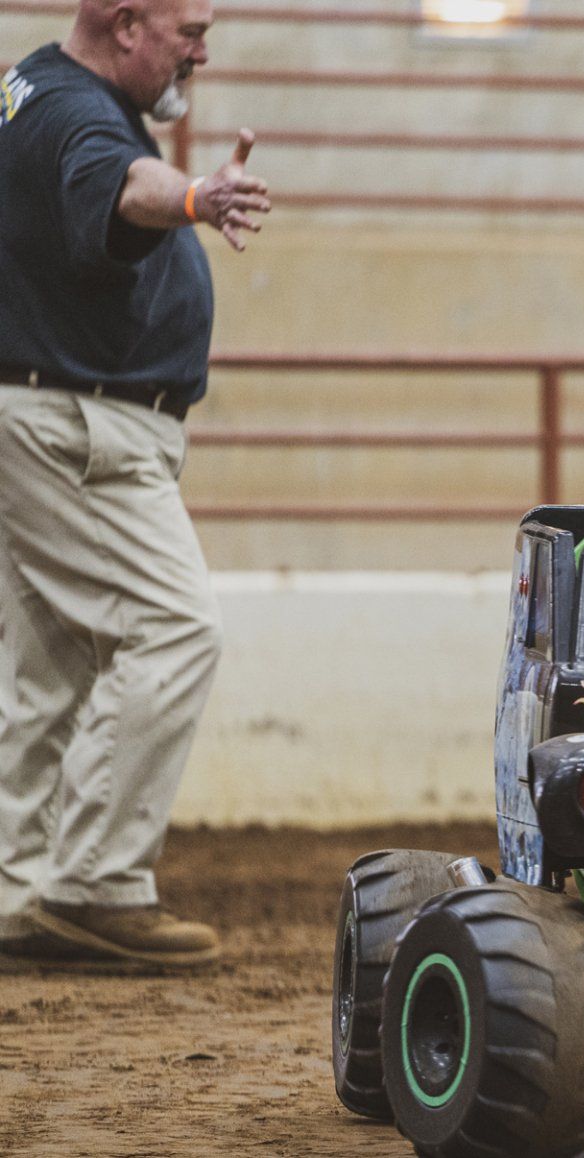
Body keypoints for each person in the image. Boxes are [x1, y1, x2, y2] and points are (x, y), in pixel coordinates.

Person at [0, 0, 270, 967]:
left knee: (50, 665)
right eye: (188, 30)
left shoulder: (30, 90)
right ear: (124, 24)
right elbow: (124, 187)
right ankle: (95, 885)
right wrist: (197, 198)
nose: (201, 49)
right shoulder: (76, 114)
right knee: (175, 626)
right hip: (79, 424)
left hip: (50, 414)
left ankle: (13, 889)